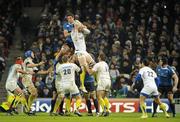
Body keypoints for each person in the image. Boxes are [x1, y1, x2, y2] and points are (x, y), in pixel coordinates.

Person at [22, 50, 49, 115]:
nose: (33, 54)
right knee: (34, 93)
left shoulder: (31, 62)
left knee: (35, 94)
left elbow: (36, 72)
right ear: (29, 54)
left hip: (28, 79)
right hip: (26, 79)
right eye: (32, 53)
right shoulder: (27, 60)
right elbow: (28, 66)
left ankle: (28, 107)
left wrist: (46, 72)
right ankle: (28, 108)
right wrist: (38, 64)